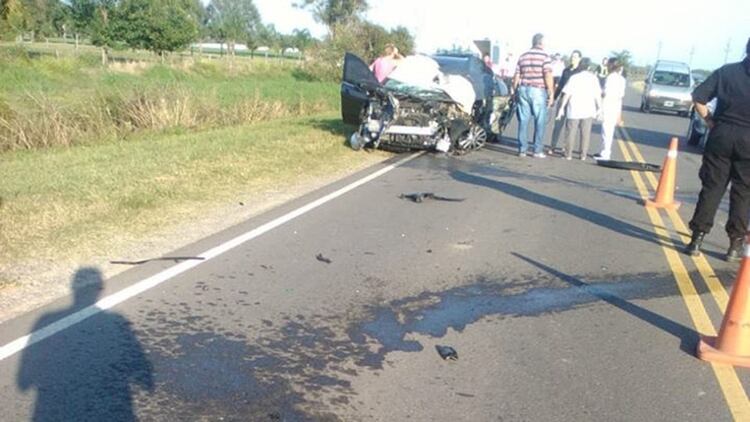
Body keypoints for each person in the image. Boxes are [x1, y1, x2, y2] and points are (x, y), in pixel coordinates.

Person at [685, 38, 750, 261]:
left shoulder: (727, 72)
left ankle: (697, 238)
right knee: (743, 192)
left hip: (722, 134)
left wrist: (710, 122)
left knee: (712, 187)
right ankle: (734, 244)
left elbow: (698, 97)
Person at [513, 33, 555, 158]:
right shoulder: (545, 57)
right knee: (540, 120)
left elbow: (517, 75)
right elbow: (547, 75)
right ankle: (537, 150)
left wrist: (514, 90)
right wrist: (551, 92)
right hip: (537, 90)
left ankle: (522, 149)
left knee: (523, 120)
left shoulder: (523, 56)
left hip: (523, 89)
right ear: (541, 43)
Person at [555, 57, 602, 160]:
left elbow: (567, 94)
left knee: (571, 132)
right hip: (588, 110)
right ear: (589, 67)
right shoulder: (594, 78)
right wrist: (600, 108)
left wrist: (561, 108)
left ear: (580, 66)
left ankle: (568, 154)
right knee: (585, 133)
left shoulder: (574, 78)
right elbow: (597, 95)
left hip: (574, 109)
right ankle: (583, 155)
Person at [549, 50, 583, 153]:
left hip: (574, 100)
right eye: (572, 56)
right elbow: (560, 86)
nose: (573, 58)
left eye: (576, 57)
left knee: (570, 126)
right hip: (563, 98)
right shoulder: (566, 70)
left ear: (579, 59)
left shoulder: (580, 72)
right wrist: (554, 98)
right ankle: (552, 146)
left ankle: (565, 147)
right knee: (558, 124)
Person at [594, 58, 626, 160]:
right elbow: (621, 97)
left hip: (608, 104)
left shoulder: (611, 78)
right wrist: (619, 114)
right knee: (609, 130)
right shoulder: (622, 79)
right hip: (615, 105)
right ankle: (605, 151)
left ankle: (606, 153)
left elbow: (605, 93)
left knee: (606, 130)